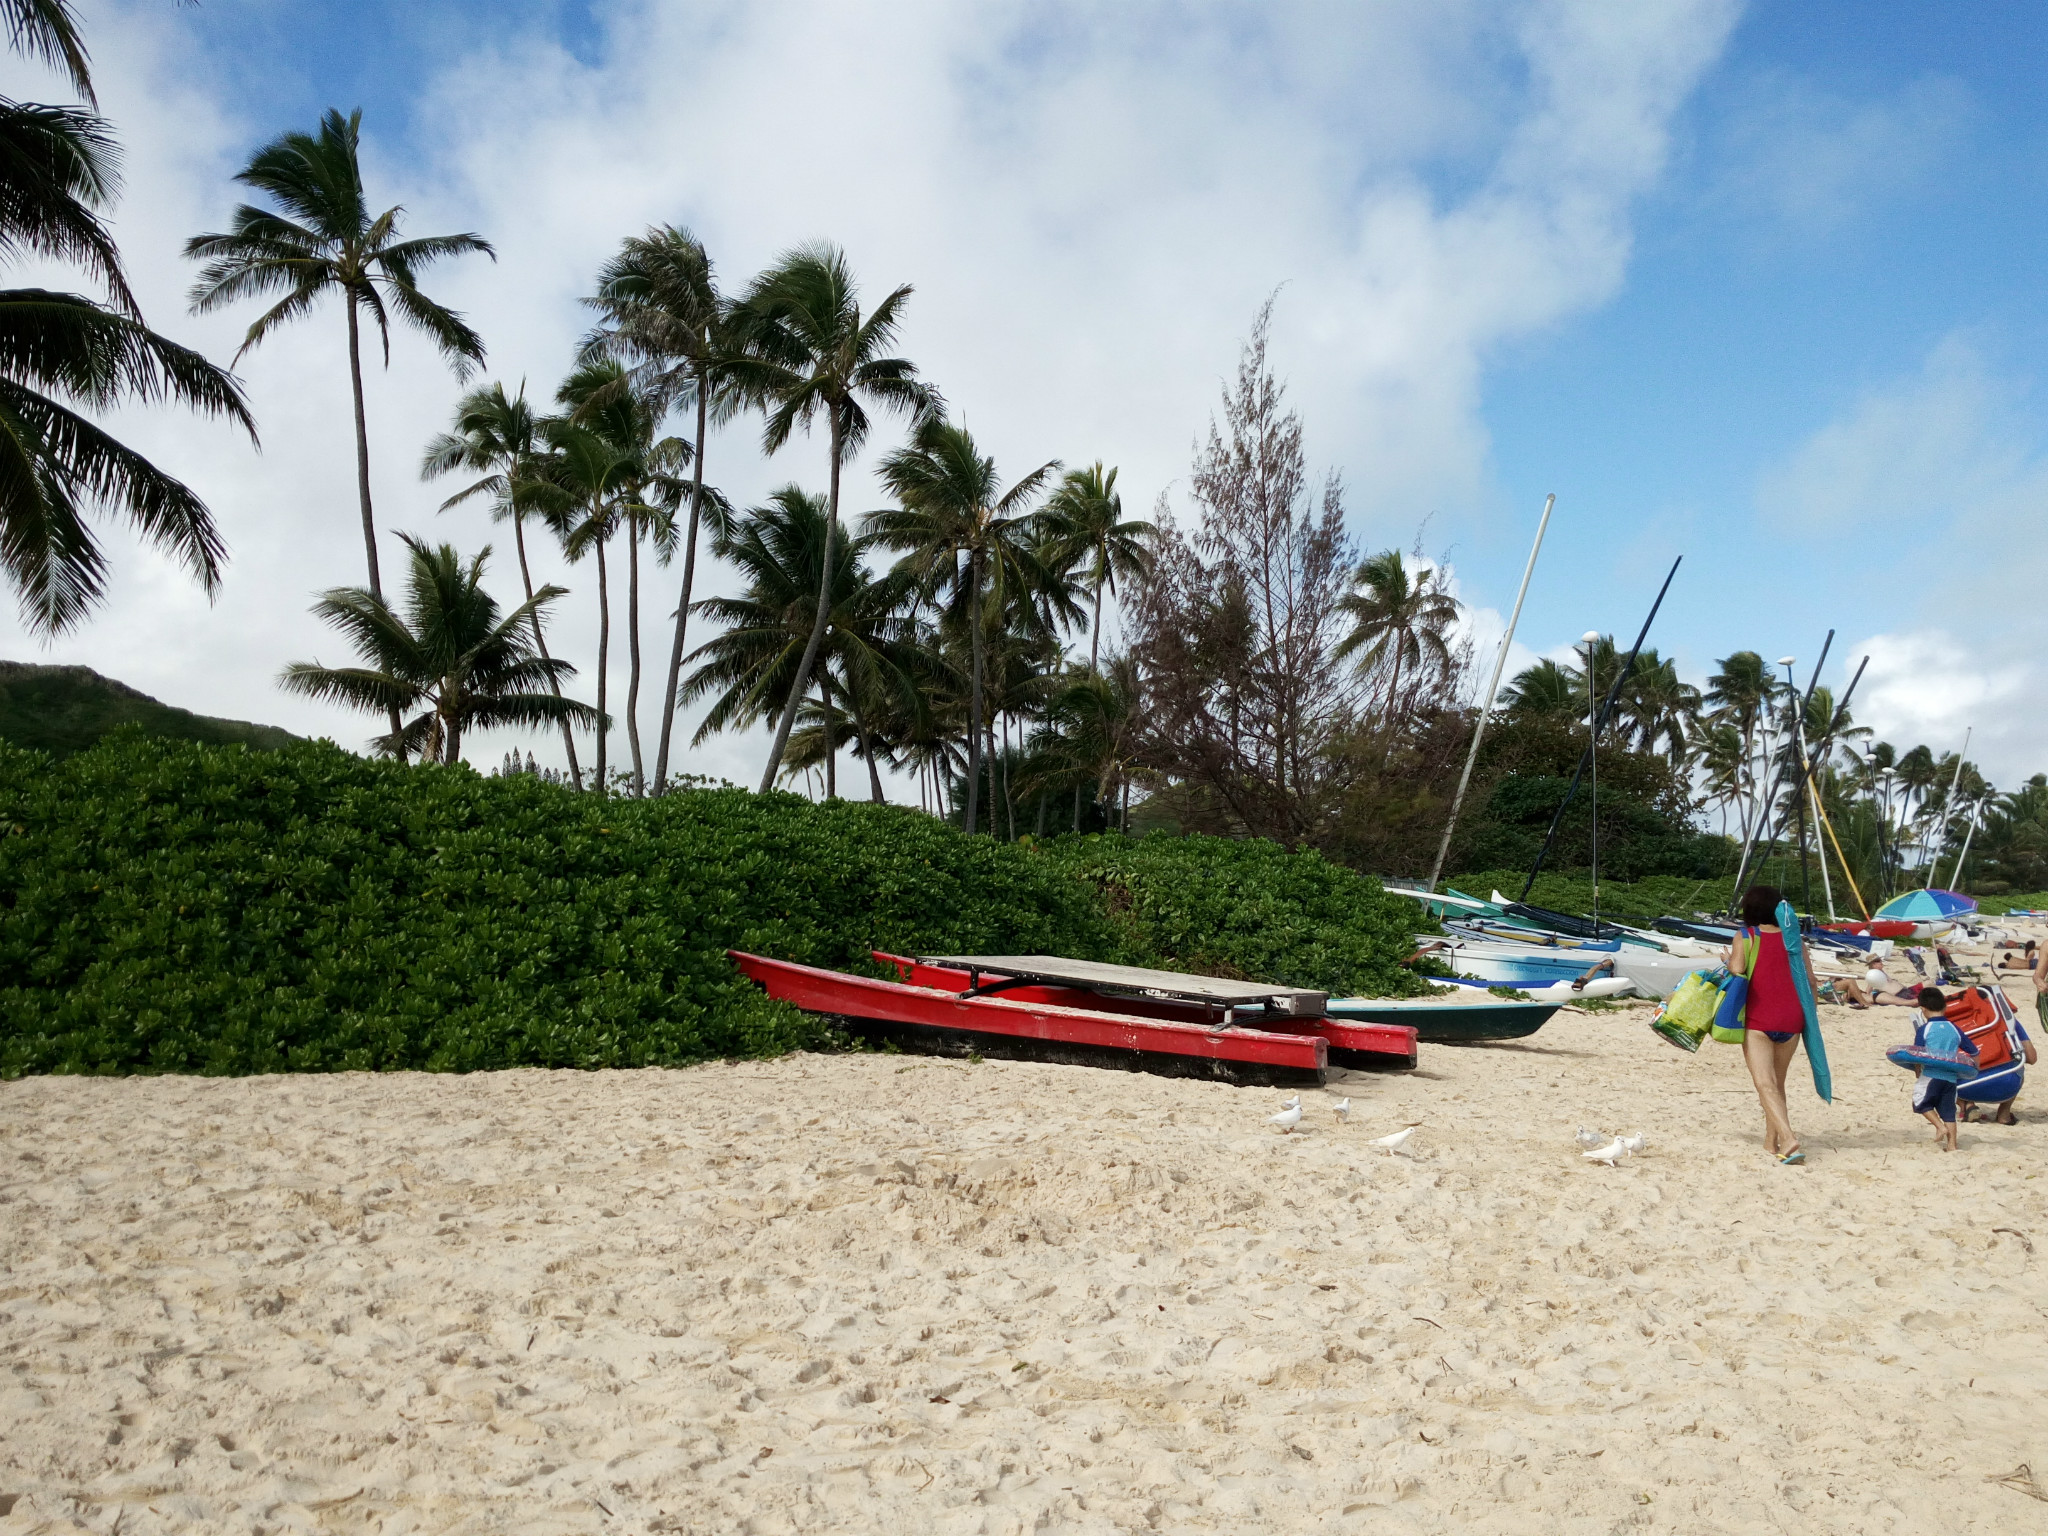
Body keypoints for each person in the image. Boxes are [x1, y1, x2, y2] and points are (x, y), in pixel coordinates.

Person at [1727, 884, 1810, 1164]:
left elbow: (1737, 970)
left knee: (1764, 1083)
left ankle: (1787, 1138)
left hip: (1759, 1018)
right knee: (1778, 1083)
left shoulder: (1746, 936)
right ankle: (1770, 1141)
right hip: (1792, 1019)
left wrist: (1728, 962)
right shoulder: (1795, 940)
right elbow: (1810, 982)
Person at [1908, 986, 1977, 1151]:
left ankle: (1939, 1126)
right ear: (1945, 1007)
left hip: (1931, 1074)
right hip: (1951, 1078)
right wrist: (1975, 1070)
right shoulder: (1954, 1029)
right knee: (1948, 1112)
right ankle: (1952, 1145)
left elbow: (1918, 1054)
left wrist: (1917, 1071)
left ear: (1923, 1009)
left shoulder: (1925, 1029)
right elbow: (1973, 1051)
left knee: (1920, 1103)